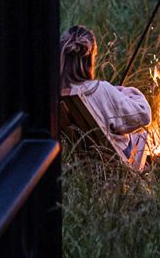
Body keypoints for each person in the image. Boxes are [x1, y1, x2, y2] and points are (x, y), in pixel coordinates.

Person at [60, 25, 151, 163]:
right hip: (114, 162)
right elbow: (144, 114)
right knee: (141, 136)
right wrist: (123, 91)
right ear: (90, 58)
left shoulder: (56, 93)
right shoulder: (100, 90)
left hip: (80, 163)